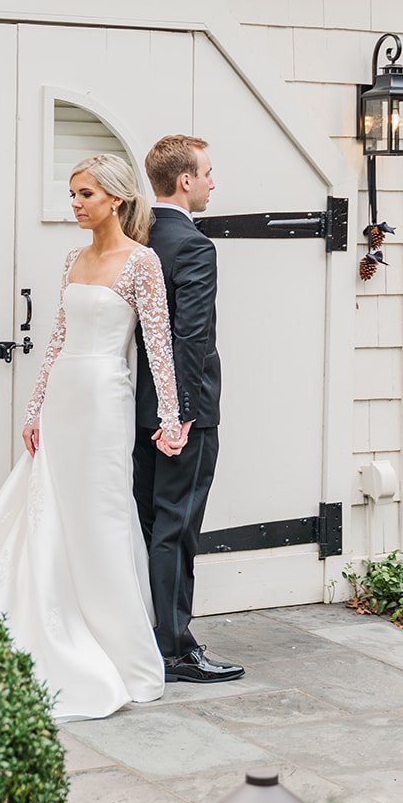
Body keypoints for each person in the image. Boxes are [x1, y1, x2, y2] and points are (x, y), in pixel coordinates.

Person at [0, 153, 183, 720]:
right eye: (73, 194)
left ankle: (122, 655)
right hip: (63, 400)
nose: (76, 204)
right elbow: (57, 338)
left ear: (117, 199)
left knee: (101, 515)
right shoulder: (72, 260)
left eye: (86, 194)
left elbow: (158, 346)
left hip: (106, 400)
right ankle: (47, 623)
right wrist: (34, 409)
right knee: (48, 508)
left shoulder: (143, 263)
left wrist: (171, 419)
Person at [133, 135, 245, 685]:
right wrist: (178, 416)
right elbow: (191, 338)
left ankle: (151, 635)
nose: (211, 183)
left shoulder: (135, 236)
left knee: (153, 523)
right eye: (207, 173)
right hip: (184, 414)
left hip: (136, 407)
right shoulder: (194, 246)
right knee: (178, 528)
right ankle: (175, 648)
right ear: (185, 180)